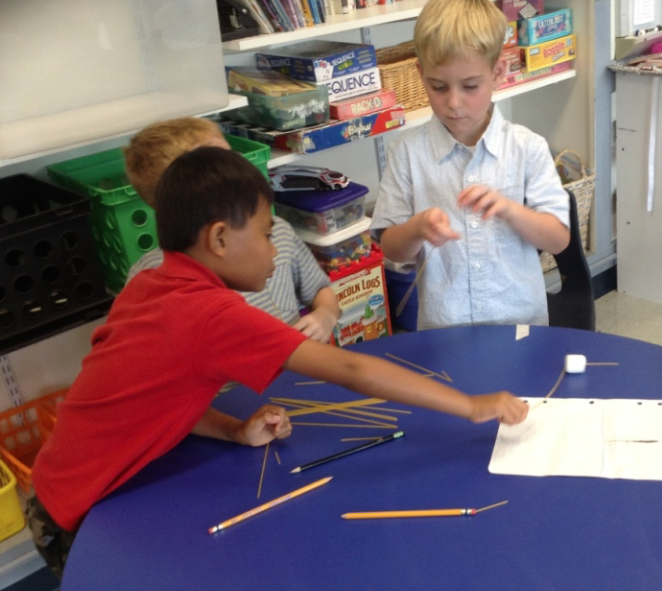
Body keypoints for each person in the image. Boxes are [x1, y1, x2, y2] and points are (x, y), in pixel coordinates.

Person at [26, 147, 529, 578]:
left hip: (57, 485)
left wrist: (232, 431)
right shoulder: (212, 315)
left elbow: (155, 397)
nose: (275, 250)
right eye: (267, 234)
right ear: (219, 239)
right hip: (81, 514)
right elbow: (350, 369)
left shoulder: (152, 285)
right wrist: (469, 405)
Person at [371, 0, 570, 330]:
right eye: (438, 87)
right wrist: (416, 229)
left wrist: (510, 210)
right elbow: (392, 249)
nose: (453, 103)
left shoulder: (527, 148)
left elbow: (558, 240)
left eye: (470, 86)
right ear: (420, 74)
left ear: (498, 73)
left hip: (521, 326)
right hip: (444, 329)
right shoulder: (406, 153)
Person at [125, 118, 340, 342]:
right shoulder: (150, 276)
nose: (239, 166)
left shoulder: (279, 233)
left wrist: (326, 315)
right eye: (222, 162)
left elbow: (319, 290)